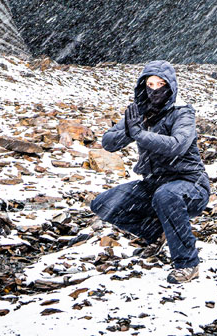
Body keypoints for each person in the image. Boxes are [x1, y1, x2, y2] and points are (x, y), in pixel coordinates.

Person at [89, 60, 210, 283]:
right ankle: (157, 233)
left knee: (167, 196)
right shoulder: (139, 111)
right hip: (154, 184)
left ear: (171, 86)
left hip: (190, 184)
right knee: (103, 204)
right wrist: (129, 130)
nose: (155, 89)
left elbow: (177, 145)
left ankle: (188, 264)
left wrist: (140, 134)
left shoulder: (183, 113)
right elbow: (108, 142)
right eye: (150, 84)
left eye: (160, 84)